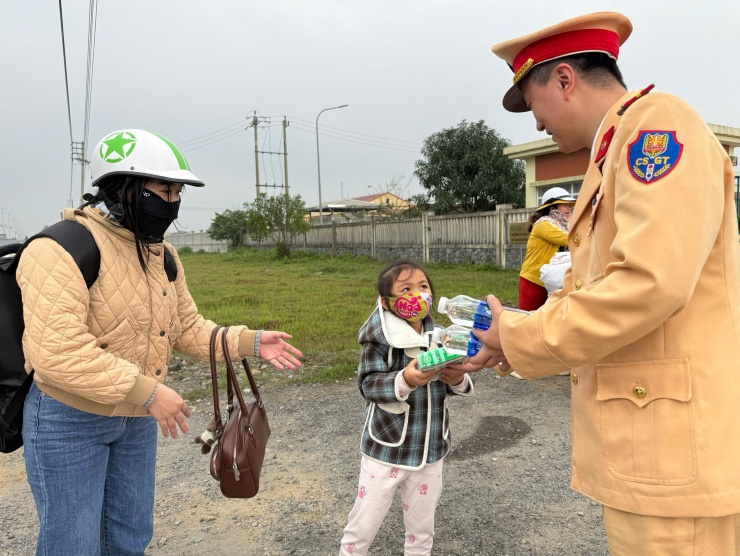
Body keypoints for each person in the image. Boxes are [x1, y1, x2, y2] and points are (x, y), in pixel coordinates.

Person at [449, 11, 740, 555]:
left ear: (564, 79)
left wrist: (523, 335)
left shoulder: (657, 129)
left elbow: (649, 283)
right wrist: (517, 335)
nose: (536, 125)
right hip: (656, 443)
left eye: (531, 103)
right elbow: (599, 286)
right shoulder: (612, 153)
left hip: (672, 448)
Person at [17, 128, 303, 555]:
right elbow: (57, 353)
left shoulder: (161, 253)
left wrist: (249, 342)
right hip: (68, 420)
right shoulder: (59, 248)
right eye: (163, 189)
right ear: (123, 188)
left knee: (130, 537)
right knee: (72, 545)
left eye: (178, 191)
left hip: (134, 419)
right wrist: (149, 392)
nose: (172, 202)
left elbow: (185, 327)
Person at [339, 260, 474, 556]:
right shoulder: (379, 339)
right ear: (387, 303)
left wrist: (458, 378)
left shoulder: (441, 336)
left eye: (423, 287)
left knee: (422, 527)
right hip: (387, 448)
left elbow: (456, 382)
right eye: (406, 289)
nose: (417, 294)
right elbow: (368, 385)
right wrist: (405, 379)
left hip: (430, 449)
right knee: (365, 523)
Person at [518, 186, 575, 311]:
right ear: (552, 208)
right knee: (527, 320)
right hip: (533, 281)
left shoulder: (561, 225)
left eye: (568, 205)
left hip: (550, 281)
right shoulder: (544, 225)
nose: (568, 208)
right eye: (564, 205)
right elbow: (569, 239)